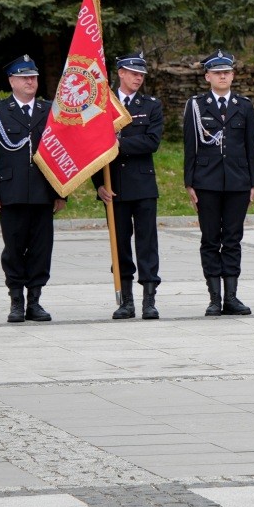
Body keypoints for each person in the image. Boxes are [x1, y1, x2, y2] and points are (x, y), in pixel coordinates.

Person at [0, 55, 66, 323]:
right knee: (14, 248)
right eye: (25, 77)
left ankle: (35, 301)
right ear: (12, 81)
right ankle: (16, 299)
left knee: (41, 248)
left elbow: (61, 153)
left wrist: (61, 191)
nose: (31, 81)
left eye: (34, 77)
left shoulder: (49, 110)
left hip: (43, 192)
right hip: (11, 191)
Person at [183, 50, 254, 316]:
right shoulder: (196, 106)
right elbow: (190, 145)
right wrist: (189, 183)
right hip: (207, 181)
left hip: (238, 181)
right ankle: (214, 297)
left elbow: (252, 147)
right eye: (217, 73)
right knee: (210, 239)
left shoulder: (244, 105)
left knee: (233, 239)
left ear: (233, 75)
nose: (223, 76)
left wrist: (253, 183)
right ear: (207, 77)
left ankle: (232, 297)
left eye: (226, 72)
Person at [92, 52, 164, 320]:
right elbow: (92, 148)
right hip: (115, 185)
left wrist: (118, 144)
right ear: (120, 73)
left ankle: (149, 299)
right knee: (119, 244)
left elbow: (151, 142)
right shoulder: (102, 105)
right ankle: (126, 301)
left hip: (143, 184)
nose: (138, 78)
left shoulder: (151, 105)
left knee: (147, 244)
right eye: (133, 73)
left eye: (141, 74)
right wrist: (99, 184)